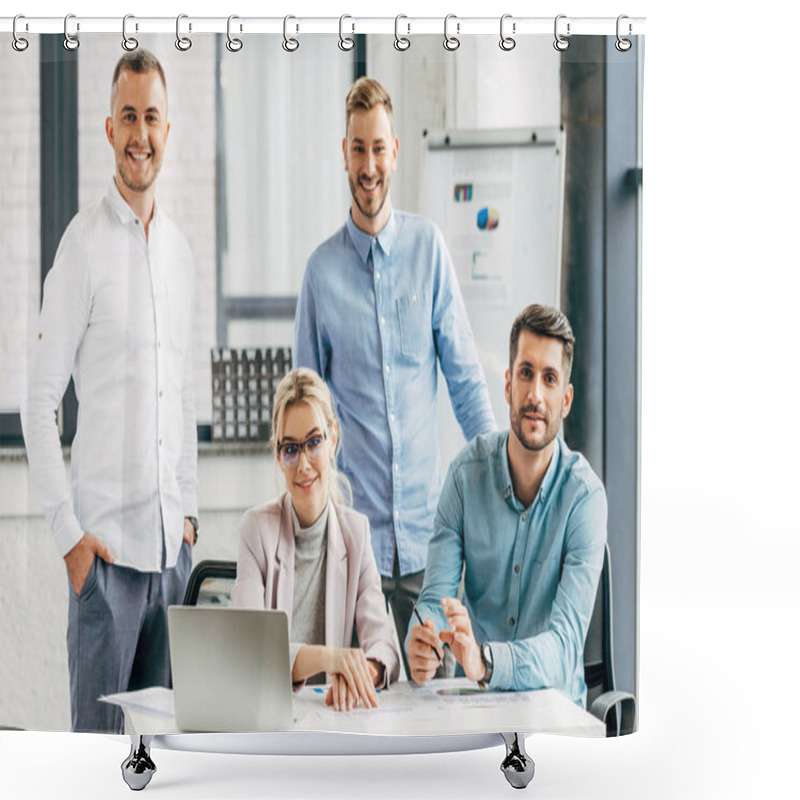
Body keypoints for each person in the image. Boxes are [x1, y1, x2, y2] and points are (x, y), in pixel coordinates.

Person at [21, 50, 198, 733]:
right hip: (106, 565)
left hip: (168, 564)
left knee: (162, 763)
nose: (141, 135)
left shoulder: (180, 254)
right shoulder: (82, 246)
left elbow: (181, 396)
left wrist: (186, 518)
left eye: (152, 117)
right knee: (95, 767)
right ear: (107, 128)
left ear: (167, 130)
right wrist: (69, 538)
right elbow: (40, 403)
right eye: (129, 117)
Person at [294, 77, 496, 673]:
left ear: (396, 151)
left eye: (379, 148)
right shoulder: (320, 274)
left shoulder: (429, 250)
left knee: (441, 699)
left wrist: (498, 480)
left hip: (433, 542)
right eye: (359, 149)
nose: (369, 164)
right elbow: (303, 421)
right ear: (345, 153)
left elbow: (463, 380)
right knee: (360, 706)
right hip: (354, 547)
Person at [406, 304, 607, 707]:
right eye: (525, 373)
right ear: (507, 385)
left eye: (549, 379)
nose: (535, 394)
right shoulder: (465, 476)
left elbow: (565, 645)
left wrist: (487, 663)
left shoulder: (585, 498)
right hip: (476, 708)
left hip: (553, 713)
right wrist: (424, 638)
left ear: (565, 400)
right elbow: (436, 597)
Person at [232, 368, 400, 712]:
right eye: (291, 449)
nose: (303, 464)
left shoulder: (357, 533)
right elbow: (249, 649)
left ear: (332, 438)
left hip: (331, 714)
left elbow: (383, 645)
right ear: (279, 457)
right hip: (272, 715)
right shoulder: (256, 530)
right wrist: (330, 659)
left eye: (313, 442)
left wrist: (360, 672)